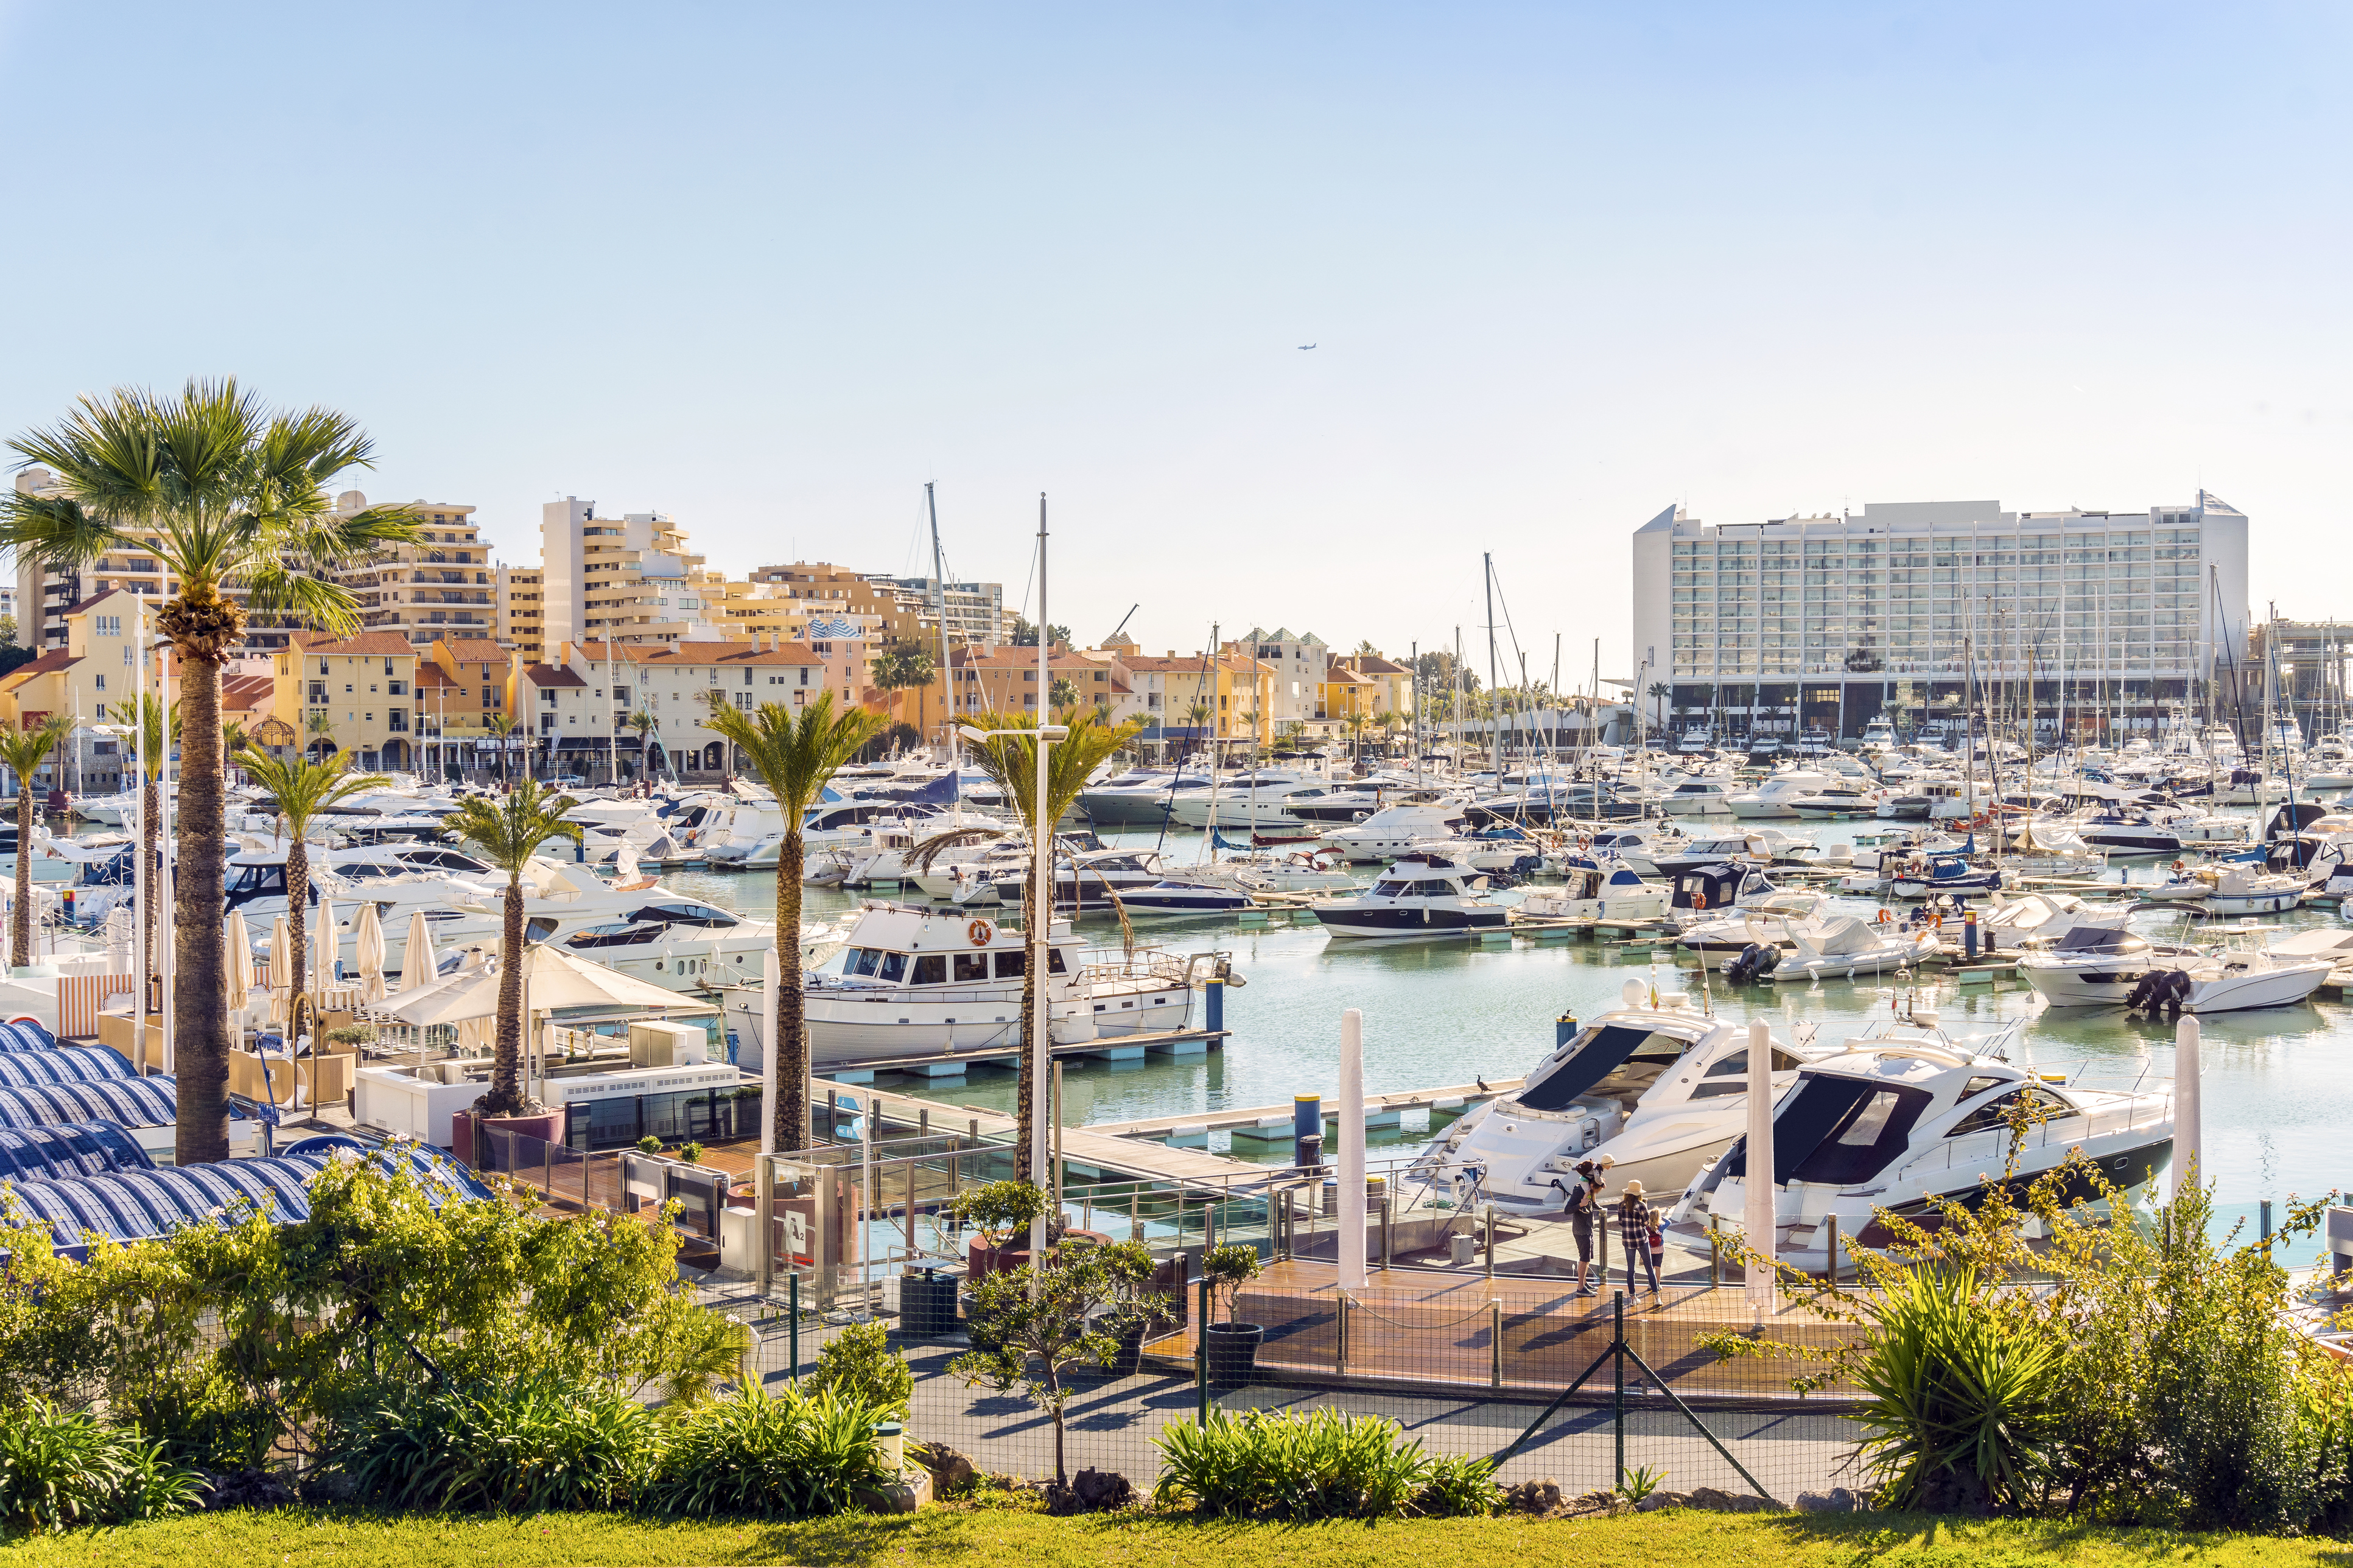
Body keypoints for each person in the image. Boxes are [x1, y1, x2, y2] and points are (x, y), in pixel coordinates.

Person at [1564, 1156, 1611, 1297]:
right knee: (1584, 1258)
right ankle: (1580, 1288)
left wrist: (1594, 1205)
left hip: (1587, 1229)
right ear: (1591, 1185)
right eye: (1596, 1190)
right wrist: (1581, 1205)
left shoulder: (1589, 1191)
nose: (1596, 1193)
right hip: (1581, 1230)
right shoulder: (1580, 1191)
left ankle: (1584, 1283)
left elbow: (1593, 1202)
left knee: (1587, 1258)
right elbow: (1567, 1210)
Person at [1617, 1181, 1661, 1297]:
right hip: (1641, 1239)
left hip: (1627, 1240)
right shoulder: (1641, 1206)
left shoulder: (1621, 1205)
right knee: (1649, 1269)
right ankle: (1656, 1296)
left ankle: (1633, 1297)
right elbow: (1647, 1223)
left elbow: (1621, 1223)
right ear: (1638, 1194)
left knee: (1630, 1270)